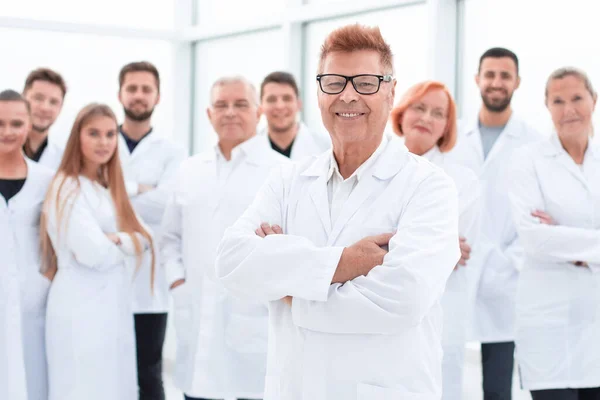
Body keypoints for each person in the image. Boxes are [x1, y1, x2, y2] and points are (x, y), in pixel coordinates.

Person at [215, 24, 460, 400]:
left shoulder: (428, 187)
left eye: (365, 82)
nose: (347, 95)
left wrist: (290, 291)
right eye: (334, 82)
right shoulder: (287, 180)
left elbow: (402, 298)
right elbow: (232, 262)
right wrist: (346, 262)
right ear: (318, 92)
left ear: (391, 91)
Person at [161, 76, 288, 400]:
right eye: (221, 105)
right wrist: (178, 282)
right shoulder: (189, 170)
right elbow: (170, 237)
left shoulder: (283, 171)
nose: (230, 112)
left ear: (258, 111)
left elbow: (294, 249)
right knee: (197, 390)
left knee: (251, 388)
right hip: (196, 317)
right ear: (208, 114)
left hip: (255, 326)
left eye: (240, 104)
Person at [40, 103, 155, 400]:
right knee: (82, 387)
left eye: (109, 134)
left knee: (113, 385)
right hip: (78, 305)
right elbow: (93, 254)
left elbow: (146, 238)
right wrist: (124, 242)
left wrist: (114, 238)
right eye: (94, 133)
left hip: (110, 304)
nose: (104, 142)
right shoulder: (66, 187)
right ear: (77, 137)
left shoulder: (106, 188)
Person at [449, 47, 541, 400]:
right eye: (490, 74)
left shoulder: (533, 143)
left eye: (505, 75)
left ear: (517, 82)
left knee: (498, 388)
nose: (496, 82)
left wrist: (511, 260)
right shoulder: (453, 138)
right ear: (477, 80)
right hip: (456, 268)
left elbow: (538, 212)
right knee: (445, 376)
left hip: (507, 280)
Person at [508, 67, 600, 400]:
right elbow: (534, 239)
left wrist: (563, 238)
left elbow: (550, 241)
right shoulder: (527, 160)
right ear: (547, 107)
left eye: (577, 98)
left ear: (594, 100)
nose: (568, 109)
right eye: (557, 100)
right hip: (548, 320)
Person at [390, 80, 481, 400]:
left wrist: (387, 241)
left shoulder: (463, 181)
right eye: (419, 107)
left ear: (446, 127)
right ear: (401, 113)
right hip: (382, 309)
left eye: (438, 113)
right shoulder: (374, 166)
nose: (427, 118)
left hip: (441, 307)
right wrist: (435, 245)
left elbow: (450, 249)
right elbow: (437, 245)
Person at [117, 61, 186, 400]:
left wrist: (114, 189)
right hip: (103, 277)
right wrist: (140, 187)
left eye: (146, 89)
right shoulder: (101, 141)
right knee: (106, 368)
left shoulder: (172, 151)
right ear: (120, 93)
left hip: (149, 284)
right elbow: (87, 198)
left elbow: (166, 205)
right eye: (132, 88)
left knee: (149, 372)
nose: (139, 95)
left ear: (157, 96)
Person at [0, 90, 54, 400]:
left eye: (16, 123)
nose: (7, 132)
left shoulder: (46, 180)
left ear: (29, 124)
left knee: (32, 384)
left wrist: (42, 282)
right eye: (0, 123)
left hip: (33, 305)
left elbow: (57, 242)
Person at [260, 71, 330, 160]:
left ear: (299, 104)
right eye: (272, 99)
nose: (279, 106)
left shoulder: (326, 147)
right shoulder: (250, 150)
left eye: (287, 98)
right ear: (261, 107)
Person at [22, 68, 67, 169]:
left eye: (53, 102)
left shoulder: (64, 162)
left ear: (61, 107)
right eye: (38, 98)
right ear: (23, 98)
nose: (45, 108)